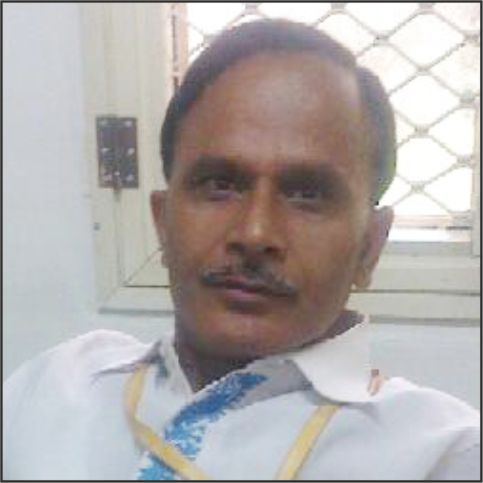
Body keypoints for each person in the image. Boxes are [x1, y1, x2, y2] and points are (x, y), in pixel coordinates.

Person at [3, 19, 480, 481]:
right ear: (162, 223)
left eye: (307, 193)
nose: (255, 233)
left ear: (369, 247)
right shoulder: (51, 392)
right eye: (219, 184)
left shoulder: (445, 454)